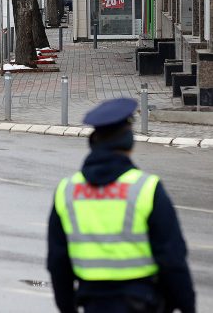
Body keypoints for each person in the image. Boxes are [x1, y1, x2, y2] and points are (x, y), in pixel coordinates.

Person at [47, 98, 196, 313]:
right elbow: (172, 259)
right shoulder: (146, 189)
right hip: (141, 301)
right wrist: (186, 306)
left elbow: (57, 262)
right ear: (128, 140)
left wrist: (67, 308)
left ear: (93, 141)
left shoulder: (67, 191)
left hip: (92, 303)